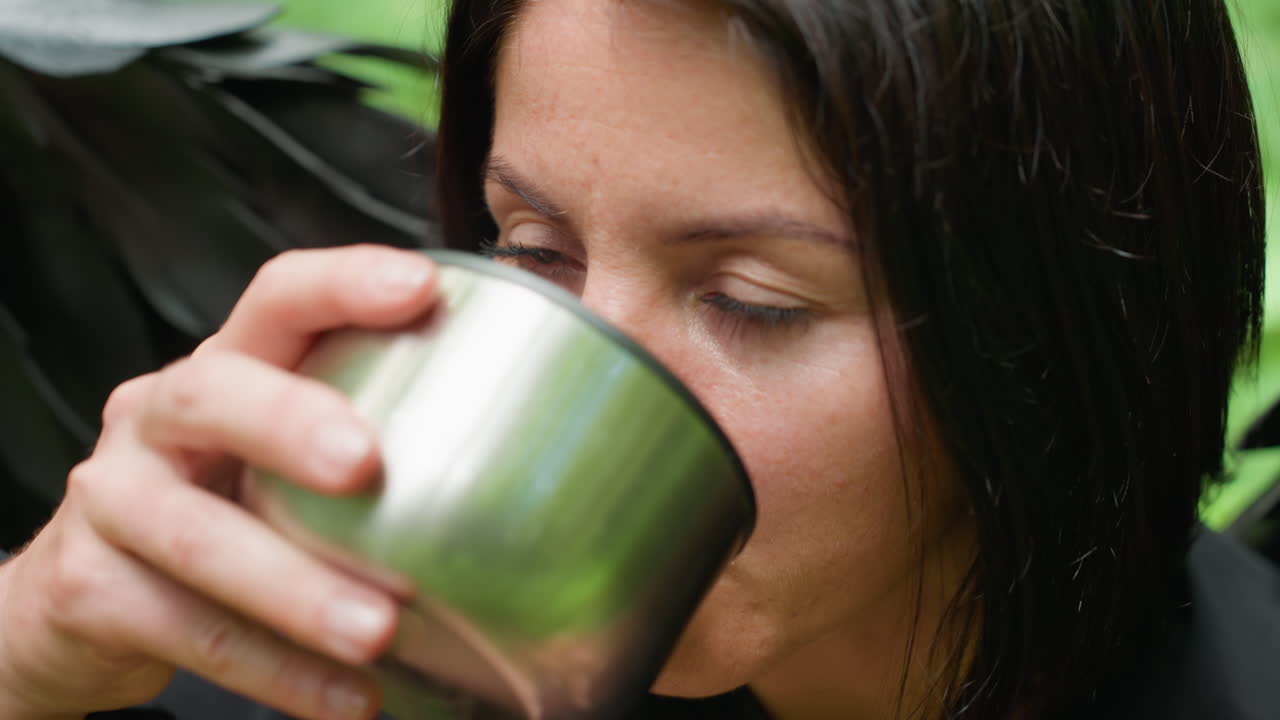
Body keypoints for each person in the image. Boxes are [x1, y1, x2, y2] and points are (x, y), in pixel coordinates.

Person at [0, 0, 1275, 719]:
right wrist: (30, 652)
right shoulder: (354, 647)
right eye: (533, 248)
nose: (573, 393)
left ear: (1046, 338)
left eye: (751, 303)